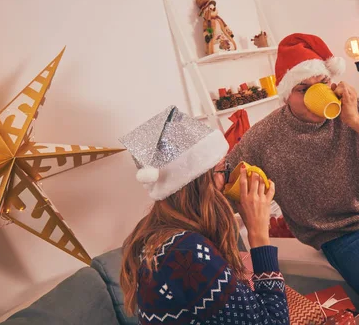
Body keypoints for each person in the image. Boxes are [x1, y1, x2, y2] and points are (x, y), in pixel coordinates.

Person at [226, 33, 359, 325]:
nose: (317, 95)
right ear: (287, 94)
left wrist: (354, 120)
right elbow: (226, 175)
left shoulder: (356, 111)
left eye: (322, 84)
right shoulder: (264, 137)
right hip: (342, 235)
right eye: (304, 89)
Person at [118, 105, 289, 324]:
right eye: (221, 169)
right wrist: (259, 235)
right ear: (198, 182)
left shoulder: (153, 236)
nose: (226, 179)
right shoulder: (187, 252)